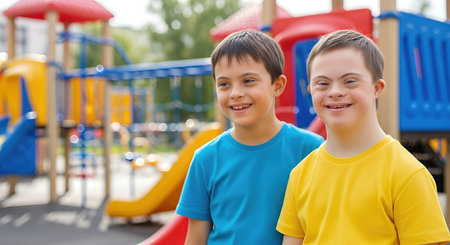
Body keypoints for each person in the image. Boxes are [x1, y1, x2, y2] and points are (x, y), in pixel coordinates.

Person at [277, 29, 450, 244]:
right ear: (311, 90)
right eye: (323, 83)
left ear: (377, 88)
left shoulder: (407, 174)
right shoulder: (299, 176)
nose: (335, 91)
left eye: (349, 81)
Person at [176, 29, 324, 245]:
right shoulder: (205, 159)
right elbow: (196, 239)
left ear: (277, 85)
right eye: (224, 84)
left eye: (248, 81)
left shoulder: (310, 149)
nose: (235, 92)